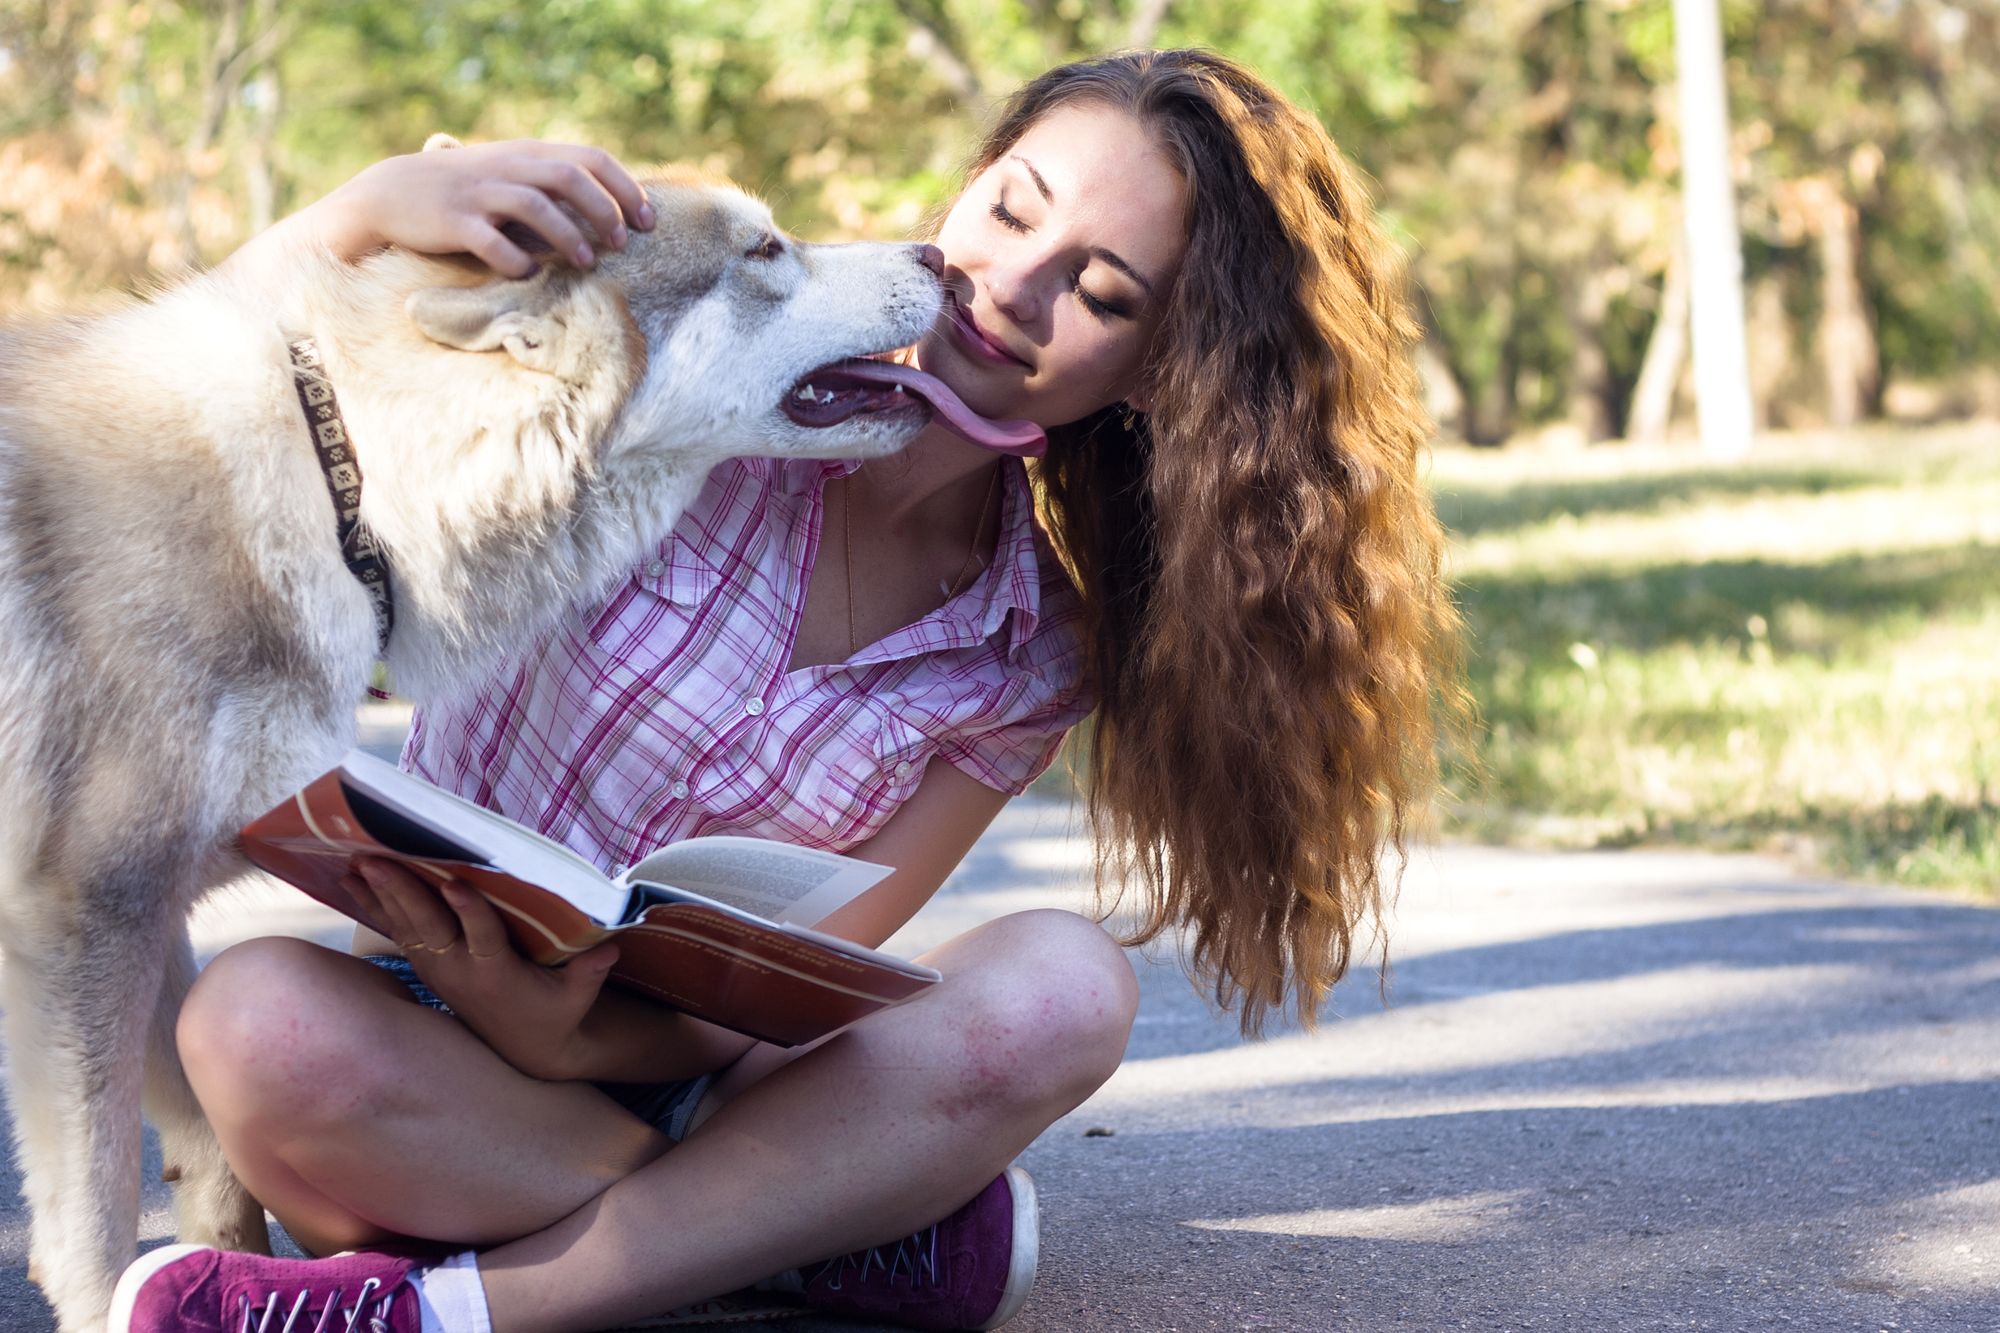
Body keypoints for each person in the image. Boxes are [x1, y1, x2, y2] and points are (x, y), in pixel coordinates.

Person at [112, 47, 1459, 1333]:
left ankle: (464, 1300)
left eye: (1100, 293)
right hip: (418, 1030)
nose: (1010, 288)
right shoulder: (694, 342)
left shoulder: (1035, 646)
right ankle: (822, 1223)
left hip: (689, 1083)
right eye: (1010, 208)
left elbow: (762, 1004)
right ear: (971, 178)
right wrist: (360, 211)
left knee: (1066, 986)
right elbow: (191, 405)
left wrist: (573, 1037)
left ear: (1163, 377)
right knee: (253, 1027)